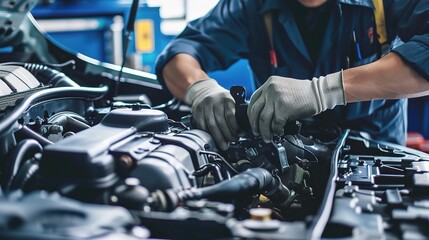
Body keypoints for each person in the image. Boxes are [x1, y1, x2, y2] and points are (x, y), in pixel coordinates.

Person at [155, 0, 429, 150]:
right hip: (284, 157)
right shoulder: (250, 6)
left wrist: (325, 90)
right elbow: (180, 52)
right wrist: (200, 88)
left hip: (375, 160)